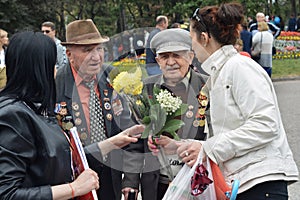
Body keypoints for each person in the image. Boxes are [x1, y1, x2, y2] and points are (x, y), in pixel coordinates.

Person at [150, 3, 298, 199]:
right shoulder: (221, 72)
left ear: (204, 38)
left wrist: (207, 148)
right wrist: (180, 146)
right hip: (243, 183)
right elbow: (228, 132)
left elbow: (265, 124)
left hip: (260, 183)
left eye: (192, 39)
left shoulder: (239, 67)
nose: (192, 47)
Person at [0, 31, 144, 200]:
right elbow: (6, 193)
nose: (55, 71)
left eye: (99, 49)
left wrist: (111, 143)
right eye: (51, 65)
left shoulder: (33, 107)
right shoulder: (13, 115)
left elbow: (63, 157)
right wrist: (73, 188)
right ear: (38, 70)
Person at [122, 28, 208, 200]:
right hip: (156, 185)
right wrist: (130, 182)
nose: (171, 62)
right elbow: (134, 142)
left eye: (177, 55)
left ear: (190, 57)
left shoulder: (207, 86)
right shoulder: (145, 89)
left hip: (197, 182)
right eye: (164, 56)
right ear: (157, 61)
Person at [56, 19, 136, 200]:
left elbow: (128, 128)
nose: (96, 57)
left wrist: (130, 179)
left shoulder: (112, 77)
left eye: (99, 49)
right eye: (87, 50)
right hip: (74, 179)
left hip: (111, 176)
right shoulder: (56, 85)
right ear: (69, 54)